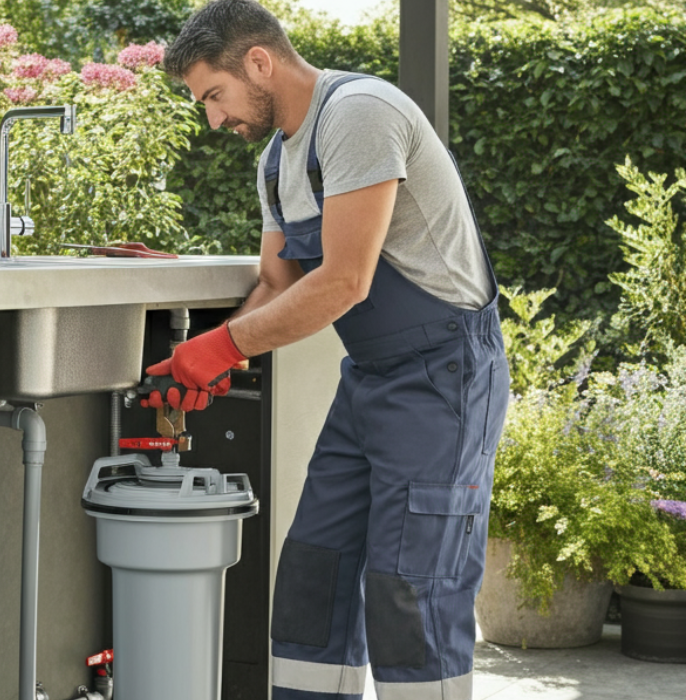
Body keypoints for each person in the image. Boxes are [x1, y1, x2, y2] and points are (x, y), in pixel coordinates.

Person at [147, 1, 511, 698]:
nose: (212, 119)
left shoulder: (361, 113)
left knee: (412, 589)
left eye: (213, 96)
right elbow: (276, 285)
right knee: (316, 573)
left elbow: (345, 280)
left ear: (259, 62)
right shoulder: (276, 164)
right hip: (370, 377)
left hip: (443, 375)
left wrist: (222, 348)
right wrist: (205, 358)